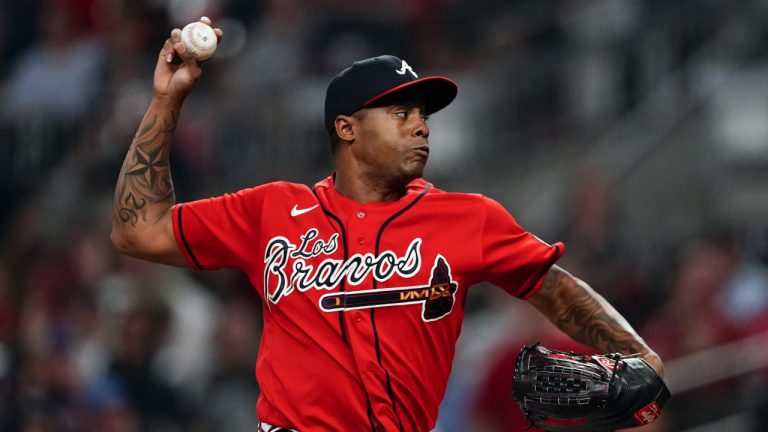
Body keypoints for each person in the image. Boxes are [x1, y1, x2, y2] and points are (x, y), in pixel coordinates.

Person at [111, 17, 665, 432]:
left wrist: (641, 356)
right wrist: (166, 102)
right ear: (347, 129)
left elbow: (555, 288)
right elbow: (138, 230)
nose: (420, 127)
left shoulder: (469, 218)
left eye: (422, 115)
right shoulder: (272, 210)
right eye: (400, 114)